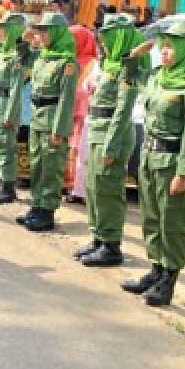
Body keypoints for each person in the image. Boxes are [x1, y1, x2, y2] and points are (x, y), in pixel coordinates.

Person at [121, 20, 185, 306]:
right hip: (148, 155)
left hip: (171, 161)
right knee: (151, 217)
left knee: (172, 221)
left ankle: (169, 278)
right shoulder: (158, 76)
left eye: (172, 47)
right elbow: (131, 75)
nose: (165, 52)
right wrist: (136, 53)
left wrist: (183, 173)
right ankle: (155, 269)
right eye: (164, 46)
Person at [76, 14, 149, 267]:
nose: (103, 41)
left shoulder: (129, 69)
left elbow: (122, 110)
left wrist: (111, 144)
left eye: (108, 36)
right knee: (94, 187)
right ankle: (97, 236)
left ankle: (111, 244)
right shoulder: (110, 65)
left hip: (112, 134)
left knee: (108, 189)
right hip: (97, 129)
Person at [16, 12, 79, 232]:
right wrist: (23, 39)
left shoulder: (66, 62)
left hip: (53, 119)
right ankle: (36, 205)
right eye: (39, 31)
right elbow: (23, 56)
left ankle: (47, 211)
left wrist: (59, 129)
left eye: (45, 31)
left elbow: (66, 98)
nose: (40, 36)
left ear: (57, 32)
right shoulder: (42, 56)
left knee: (51, 167)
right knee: (37, 164)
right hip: (37, 116)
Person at [0, 12, 32, 204]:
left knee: (6, 146)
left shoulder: (16, 58)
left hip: (7, 106)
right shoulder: (4, 52)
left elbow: (16, 88)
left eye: (3, 28)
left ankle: (8, 187)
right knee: (1, 146)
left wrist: (10, 114)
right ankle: (4, 183)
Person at [64, 25, 98, 205]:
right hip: (67, 113)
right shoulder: (68, 59)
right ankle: (67, 185)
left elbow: (87, 91)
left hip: (82, 114)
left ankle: (78, 189)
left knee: (79, 151)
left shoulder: (93, 63)